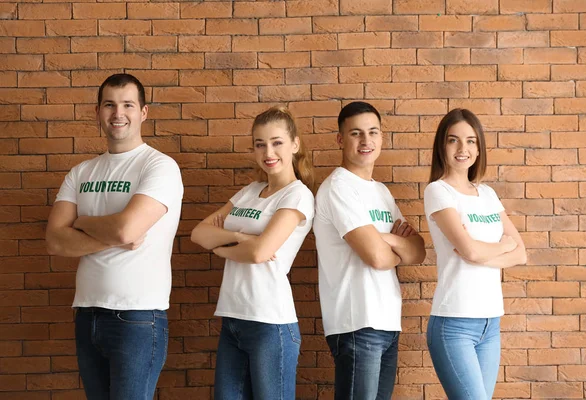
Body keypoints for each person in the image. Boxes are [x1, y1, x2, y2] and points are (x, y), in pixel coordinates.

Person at [45, 73, 183, 400]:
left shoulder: (159, 167)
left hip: (136, 317)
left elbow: (126, 229)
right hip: (87, 314)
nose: (117, 113)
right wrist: (116, 233)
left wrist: (80, 222)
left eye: (127, 105)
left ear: (143, 112)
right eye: (109, 104)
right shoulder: (81, 173)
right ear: (98, 112)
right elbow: (54, 240)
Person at [191, 106, 314, 400]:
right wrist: (237, 237)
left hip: (270, 323)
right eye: (260, 144)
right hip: (233, 317)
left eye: (277, 142)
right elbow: (198, 234)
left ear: (295, 144)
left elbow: (260, 252)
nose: (268, 151)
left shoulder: (297, 195)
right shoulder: (249, 191)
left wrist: (220, 247)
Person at [313, 101, 426, 400]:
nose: (366, 141)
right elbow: (376, 258)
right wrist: (387, 244)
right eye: (356, 133)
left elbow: (418, 251)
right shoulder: (338, 187)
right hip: (356, 323)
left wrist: (383, 238)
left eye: (373, 132)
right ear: (340, 139)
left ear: (381, 137)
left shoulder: (381, 192)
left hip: (387, 321)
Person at [424, 108, 527, 400]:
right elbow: (468, 249)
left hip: (490, 322)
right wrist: (494, 248)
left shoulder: (488, 194)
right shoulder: (438, 192)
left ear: (479, 148)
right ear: (442, 146)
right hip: (454, 322)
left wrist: (484, 254)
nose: (462, 149)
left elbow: (520, 253)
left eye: (470, 141)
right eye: (453, 140)